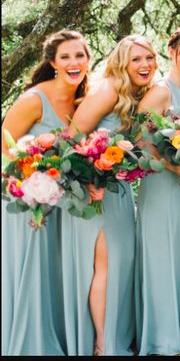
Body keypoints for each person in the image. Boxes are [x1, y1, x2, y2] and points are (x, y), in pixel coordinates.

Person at [62, 34, 158, 355]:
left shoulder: (136, 95)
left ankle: (118, 333)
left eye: (149, 58)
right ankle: (103, 344)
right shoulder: (107, 90)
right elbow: (73, 138)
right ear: (123, 63)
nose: (144, 65)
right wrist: (90, 179)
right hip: (94, 191)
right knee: (105, 264)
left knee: (122, 261)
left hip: (117, 190)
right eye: (137, 59)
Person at [1, 30, 90, 356]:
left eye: (79, 55)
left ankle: (62, 335)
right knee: (35, 269)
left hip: (63, 200)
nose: (73, 62)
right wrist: (32, 183)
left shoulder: (85, 98)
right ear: (52, 62)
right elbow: (4, 148)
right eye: (65, 57)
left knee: (57, 269)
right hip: (26, 200)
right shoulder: (33, 100)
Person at [134, 27, 180, 355]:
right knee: (163, 255)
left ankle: (179, 326)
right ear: (171, 50)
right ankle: (163, 336)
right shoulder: (160, 91)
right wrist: (170, 165)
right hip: (163, 182)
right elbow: (139, 140)